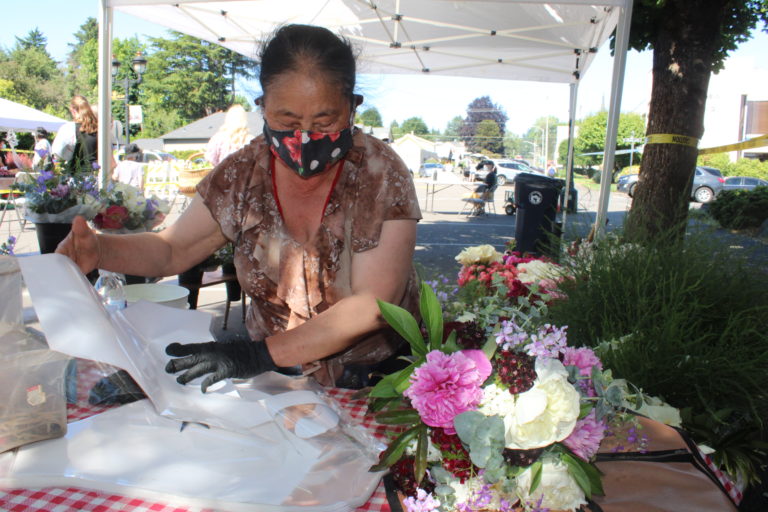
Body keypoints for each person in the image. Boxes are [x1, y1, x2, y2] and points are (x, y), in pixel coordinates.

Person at [57, 24, 421, 391]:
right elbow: (172, 249)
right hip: (279, 384)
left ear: (353, 106)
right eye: (287, 121)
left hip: (375, 383)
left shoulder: (380, 175)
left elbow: (373, 304)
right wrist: (100, 249)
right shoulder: (242, 175)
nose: (305, 137)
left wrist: (256, 356)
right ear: (262, 107)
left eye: (325, 121)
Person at [52, 95, 99, 171]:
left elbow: (57, 154)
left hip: (76, 175)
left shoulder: (68, 128)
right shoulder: (98, 129)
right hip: (96, 175)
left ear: (72, 110)